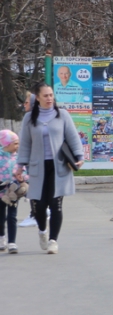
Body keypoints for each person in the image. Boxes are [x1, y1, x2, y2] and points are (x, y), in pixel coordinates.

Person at [17, 82, 84, 255]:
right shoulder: (29, 118)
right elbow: (25, 143)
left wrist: (79, 156)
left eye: (51, 95)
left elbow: (73, 138)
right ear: (37, 98)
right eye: (45, 95)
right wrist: (20, 165)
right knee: (38, 207)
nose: (49, 98)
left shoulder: (62, 115)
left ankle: (53, 240)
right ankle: (42, 231)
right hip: (38, 167)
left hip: (58, 166)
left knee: (56, 204)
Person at [19, 92, 48, 228]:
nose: (24, 105)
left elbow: (26, 142)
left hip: (35, 160)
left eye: (26, 102)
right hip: (33, 160)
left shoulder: (33, 119)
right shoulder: (30, 118)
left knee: (34, 187)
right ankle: (39, 212)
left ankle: (35, 215)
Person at [0, 130, 26, 253]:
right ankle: (1, 239)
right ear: (5, 144)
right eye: (15, 143)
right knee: (1, 216)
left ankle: (12, 243)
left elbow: (24, 172)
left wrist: (23, 179)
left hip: (13, 193)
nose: (17, 146)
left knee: (12, 216)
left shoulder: (18, 158)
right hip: (1, 192)